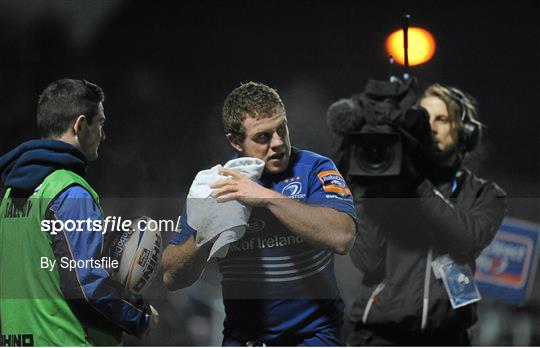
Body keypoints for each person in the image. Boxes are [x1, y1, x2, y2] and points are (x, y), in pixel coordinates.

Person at [163, 81, 357, 346]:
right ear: (235, 141)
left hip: (315, 336)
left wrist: (265, 197)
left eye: (282, 129)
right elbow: (172, 277)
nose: (278, 143)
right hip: (244, 339)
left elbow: (342, 236)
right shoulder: (216, 184)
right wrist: (207, 233)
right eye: (263, 136)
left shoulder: (315, 168)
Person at [345, 84, 507, 345]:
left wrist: (417, 184)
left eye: (441, 119)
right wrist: (369, 189)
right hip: (380, 335)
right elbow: (367, 260)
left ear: (466, 132)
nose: (430, 127)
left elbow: (468, 240)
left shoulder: (485, 194)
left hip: (446, 338)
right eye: (423, 119)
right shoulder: (392, 183)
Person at [0, 79, 158, 346]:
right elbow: (85, 283)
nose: (103, 134)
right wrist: (140, 314)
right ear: (80, 125)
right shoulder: (71, 192)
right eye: (101, 123)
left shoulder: (10, 195)